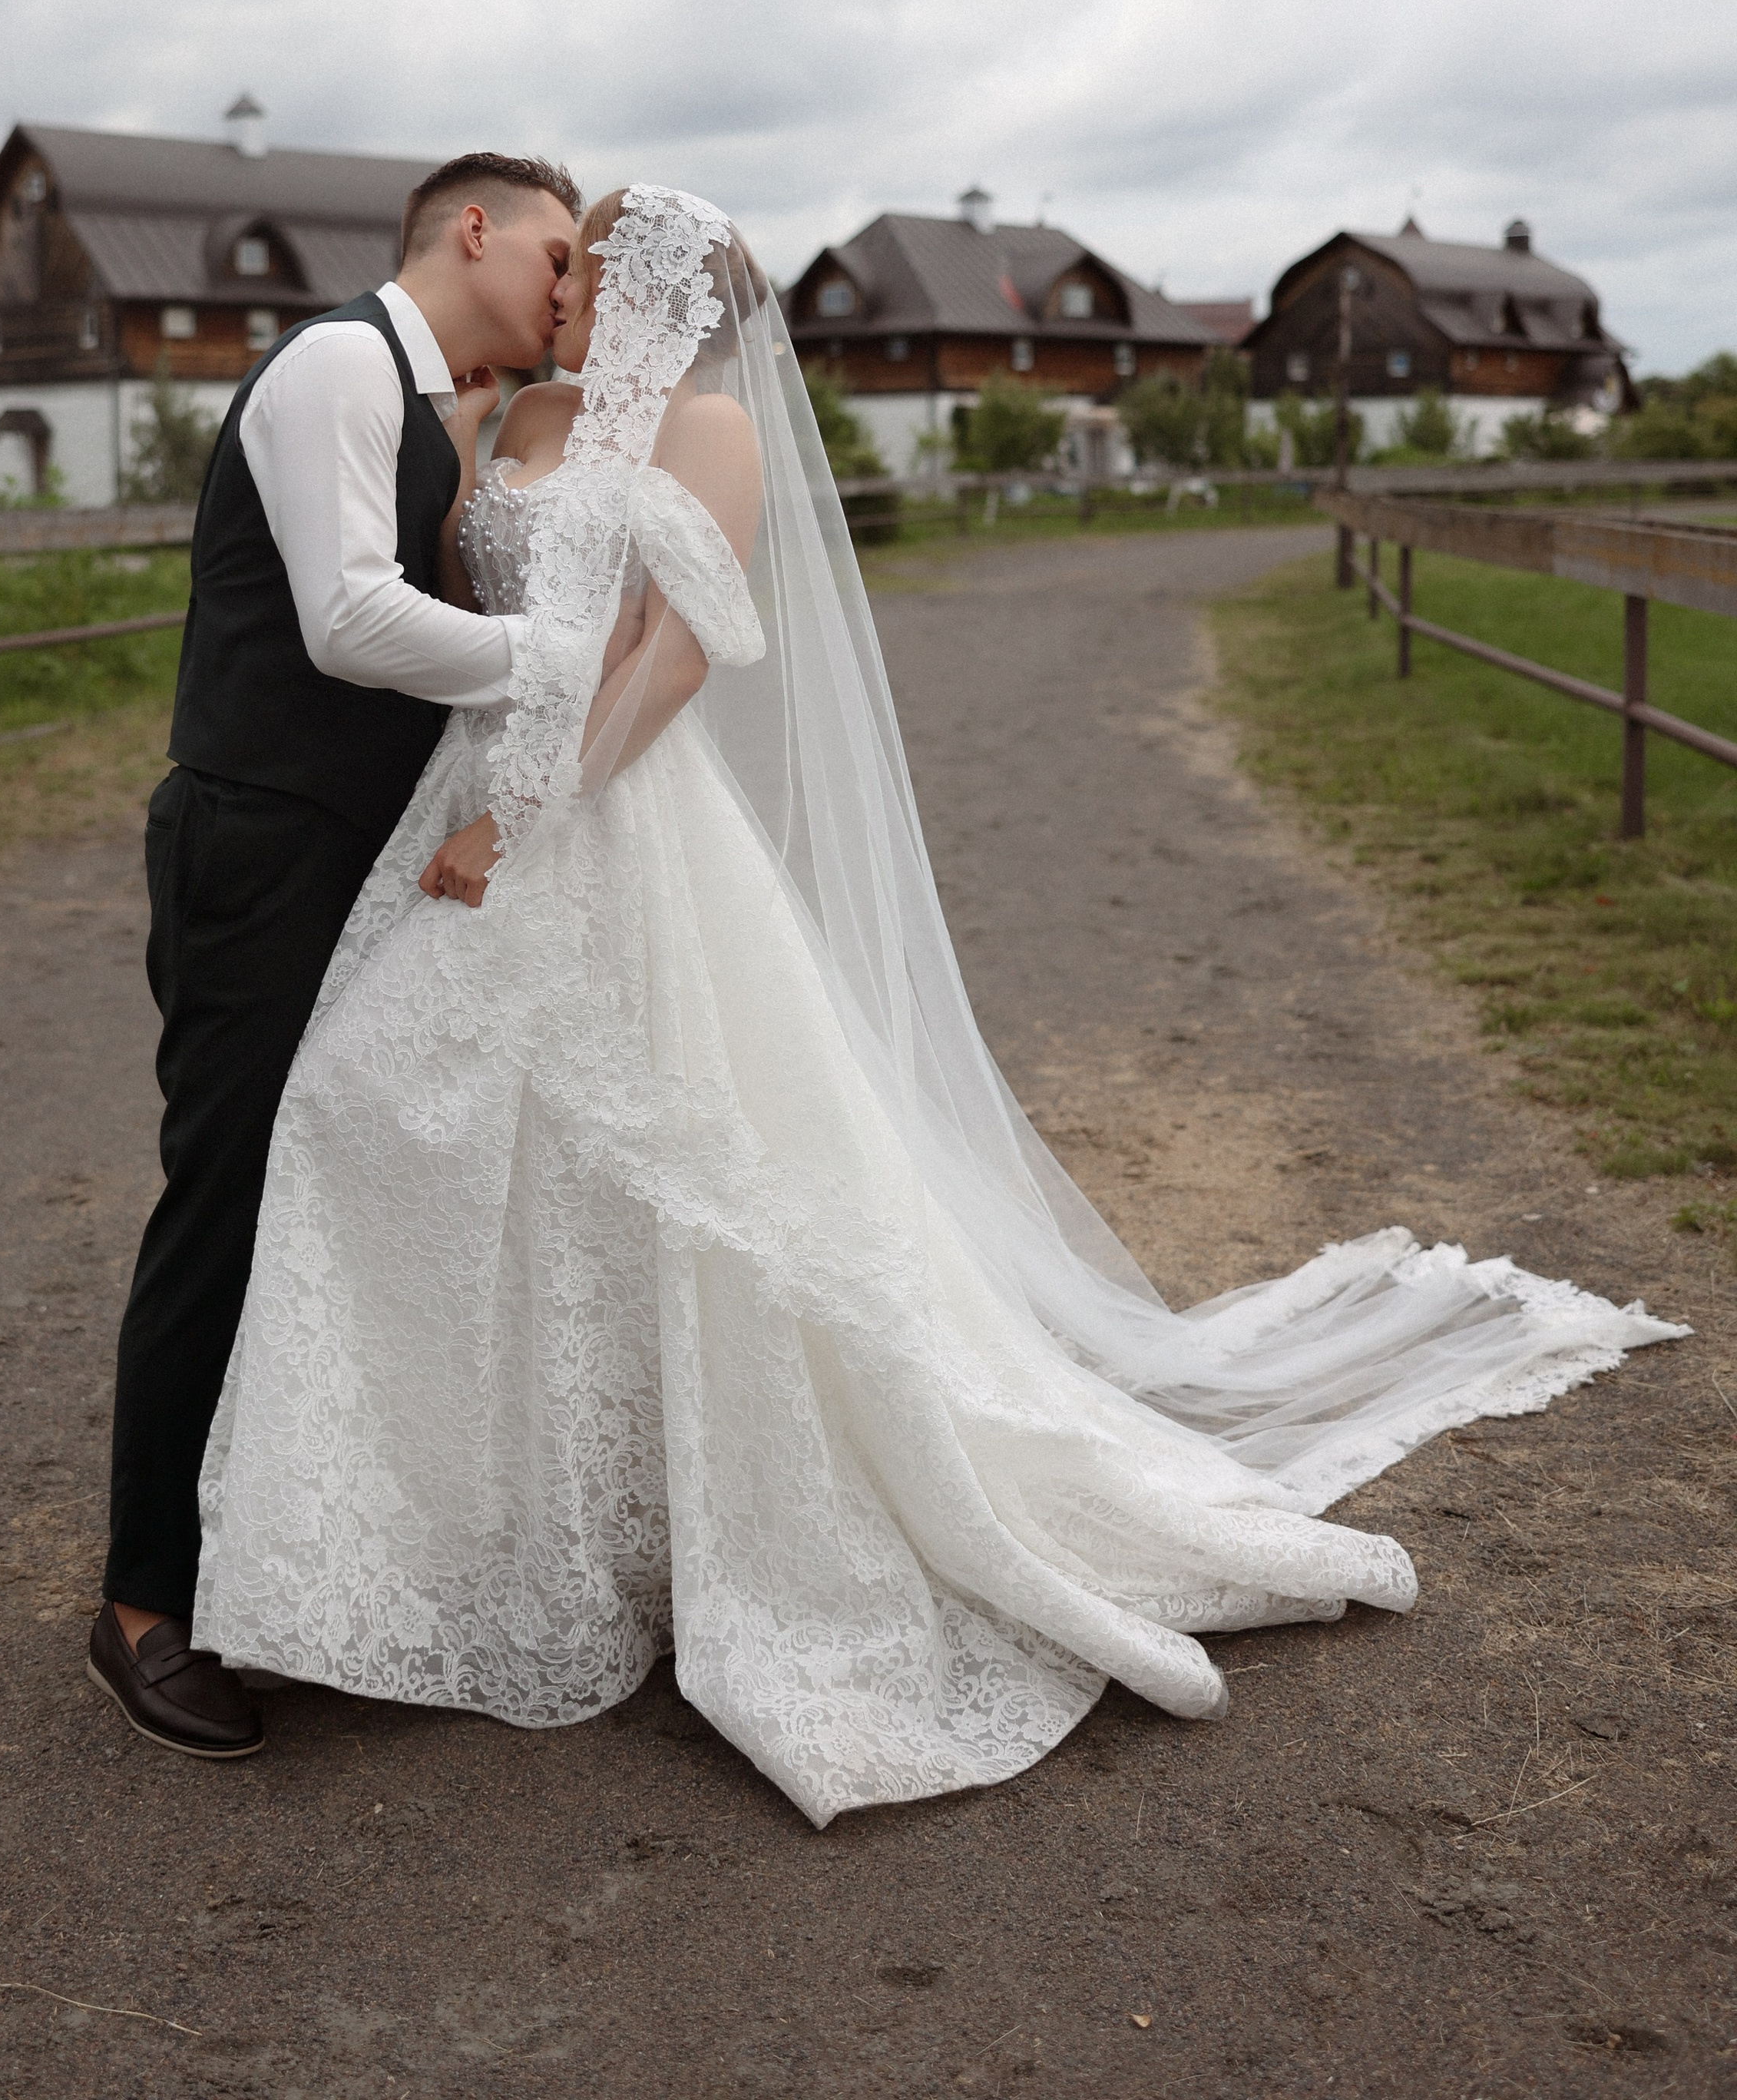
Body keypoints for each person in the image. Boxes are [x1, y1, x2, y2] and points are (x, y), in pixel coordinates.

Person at [190, 185, 1682, 1823]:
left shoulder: (708, 436)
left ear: (648, 288)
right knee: (403, 1126)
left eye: (581, 264)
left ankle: (697, 1527)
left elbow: (666, 660)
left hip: (599, 825)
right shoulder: (514, 412)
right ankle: (455, 1527)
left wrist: (526, 812)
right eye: (552, 259)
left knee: (655, 1165)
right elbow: (456, 612)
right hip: (462, 810)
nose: (556, 287)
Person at [87, 153, 581, 1759]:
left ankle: (282, 1552)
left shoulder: (451, 403)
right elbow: (349, 625)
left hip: (354, 852)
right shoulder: (333, 364)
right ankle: (143, 1606)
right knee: (224, 1193)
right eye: (559, 253)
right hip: (258, 844)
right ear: (475, 227)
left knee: (341, 1184)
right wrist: (558, 659)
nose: (571, 292)